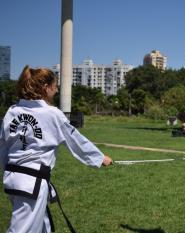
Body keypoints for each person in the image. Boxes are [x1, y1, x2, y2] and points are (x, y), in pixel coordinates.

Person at [0, 65, 113, 233]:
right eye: (55, 85)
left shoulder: (12, 111)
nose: (57, 89)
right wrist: (99, 158)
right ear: (46, 88)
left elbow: (3, 146)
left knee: (43, 226)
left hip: (13, 178)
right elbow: (75, 140)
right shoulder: (52, 114)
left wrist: (6, 170)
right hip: (32, 182)